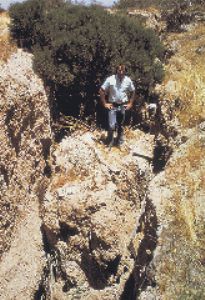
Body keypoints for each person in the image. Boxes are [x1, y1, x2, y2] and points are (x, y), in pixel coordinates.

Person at [99, 64, 135, 146]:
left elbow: (133, 91)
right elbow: (101, 90)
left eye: (123, 70)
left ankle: (120, 142)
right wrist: (104, 103)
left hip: (122, 106)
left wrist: (130, 103)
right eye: (119, 70)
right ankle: (110, 141)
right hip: (113, 106)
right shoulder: (111, 79)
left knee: (120, 124)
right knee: (112, 125)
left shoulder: (128, 80)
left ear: (125, 71)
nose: (121, 72)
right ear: (116, 70)